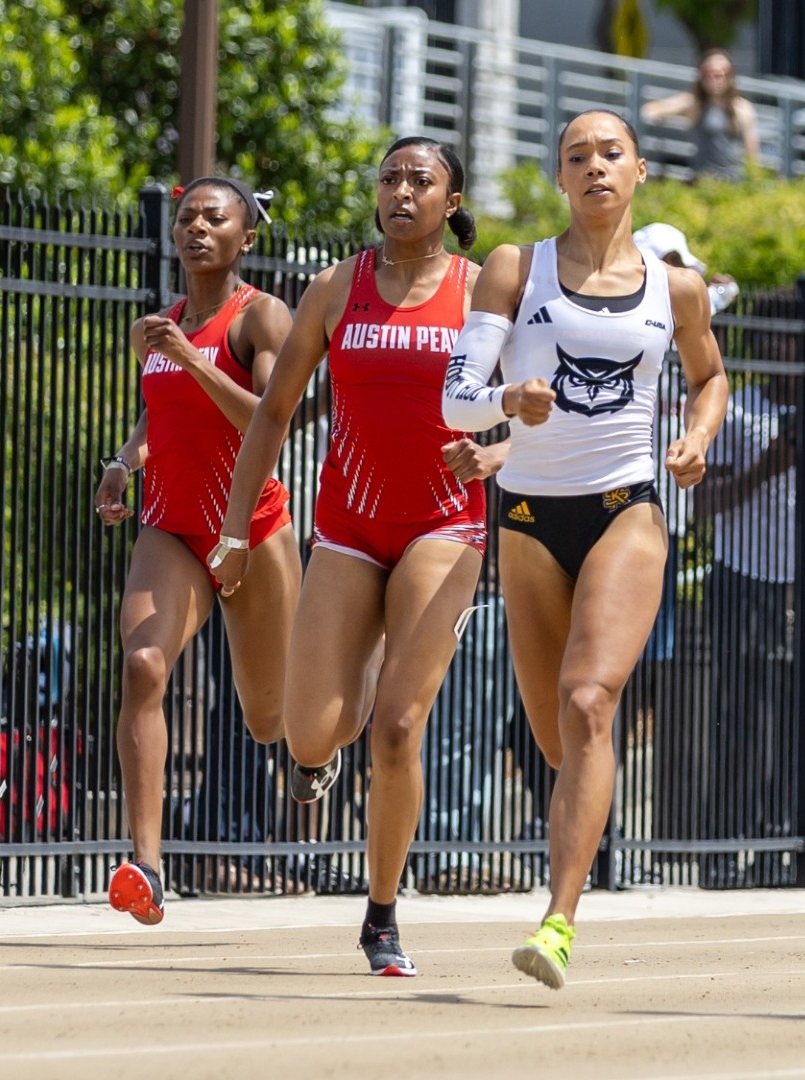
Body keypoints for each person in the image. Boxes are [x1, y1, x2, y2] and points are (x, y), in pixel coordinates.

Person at [442, 108, 728, 989]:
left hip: (625, 509)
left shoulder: (675, 290)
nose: (595, 166)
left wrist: (697, 438)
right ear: (559, 178)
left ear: (639, 171)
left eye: (611, 153)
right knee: (558, 738)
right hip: (529, 519)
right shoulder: (513, 268)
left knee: (590, 700)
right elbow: (456, 399)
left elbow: (710, 376)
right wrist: (507, 403)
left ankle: (558, 921)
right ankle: (584, 829)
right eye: (578, 156)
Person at [213, 136, 492, 976]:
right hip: (350, 526)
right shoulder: (337, 287)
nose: (401, 191)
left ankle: (381, 916)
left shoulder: (482, 293)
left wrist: (498, 452)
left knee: (399, 729)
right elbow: (273, 413)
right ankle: (348, 697)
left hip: (445, 526)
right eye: (389, 178)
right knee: (309, 735)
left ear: (451, 202)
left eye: (421, 180)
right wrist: (233, 531)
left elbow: (529, 408)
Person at [97, 176, 300, 926]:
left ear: (247, 236)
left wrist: (191, 358)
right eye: (186, 218)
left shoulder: (261, 317)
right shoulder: (155, 329)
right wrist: (123, 464)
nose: (196, 228)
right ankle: (147, 866)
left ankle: (317, 753)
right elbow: (159, 420)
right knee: (143, 666)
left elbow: (270, 420)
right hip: (173, 525)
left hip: (251, 527)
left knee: (268, 719)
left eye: (215, 218)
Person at [695, 364, 805, 888]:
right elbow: (703, 502)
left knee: (802, 718)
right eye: (774, 341)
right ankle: (723, 851)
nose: (781, 351)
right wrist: (766, 467)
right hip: (743, 575)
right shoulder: (737, 409)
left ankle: (782, 850)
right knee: (740, 717)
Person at [642, 50, 760, 182]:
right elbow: (657, 108)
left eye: (719, 75)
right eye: (707, 75)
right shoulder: (695, 103)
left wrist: (753, 181)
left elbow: (751, 153)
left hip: (735, 181)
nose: (713, 80)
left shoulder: (743, 108)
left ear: (729, 76)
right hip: (704, 180)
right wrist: (652, 117)